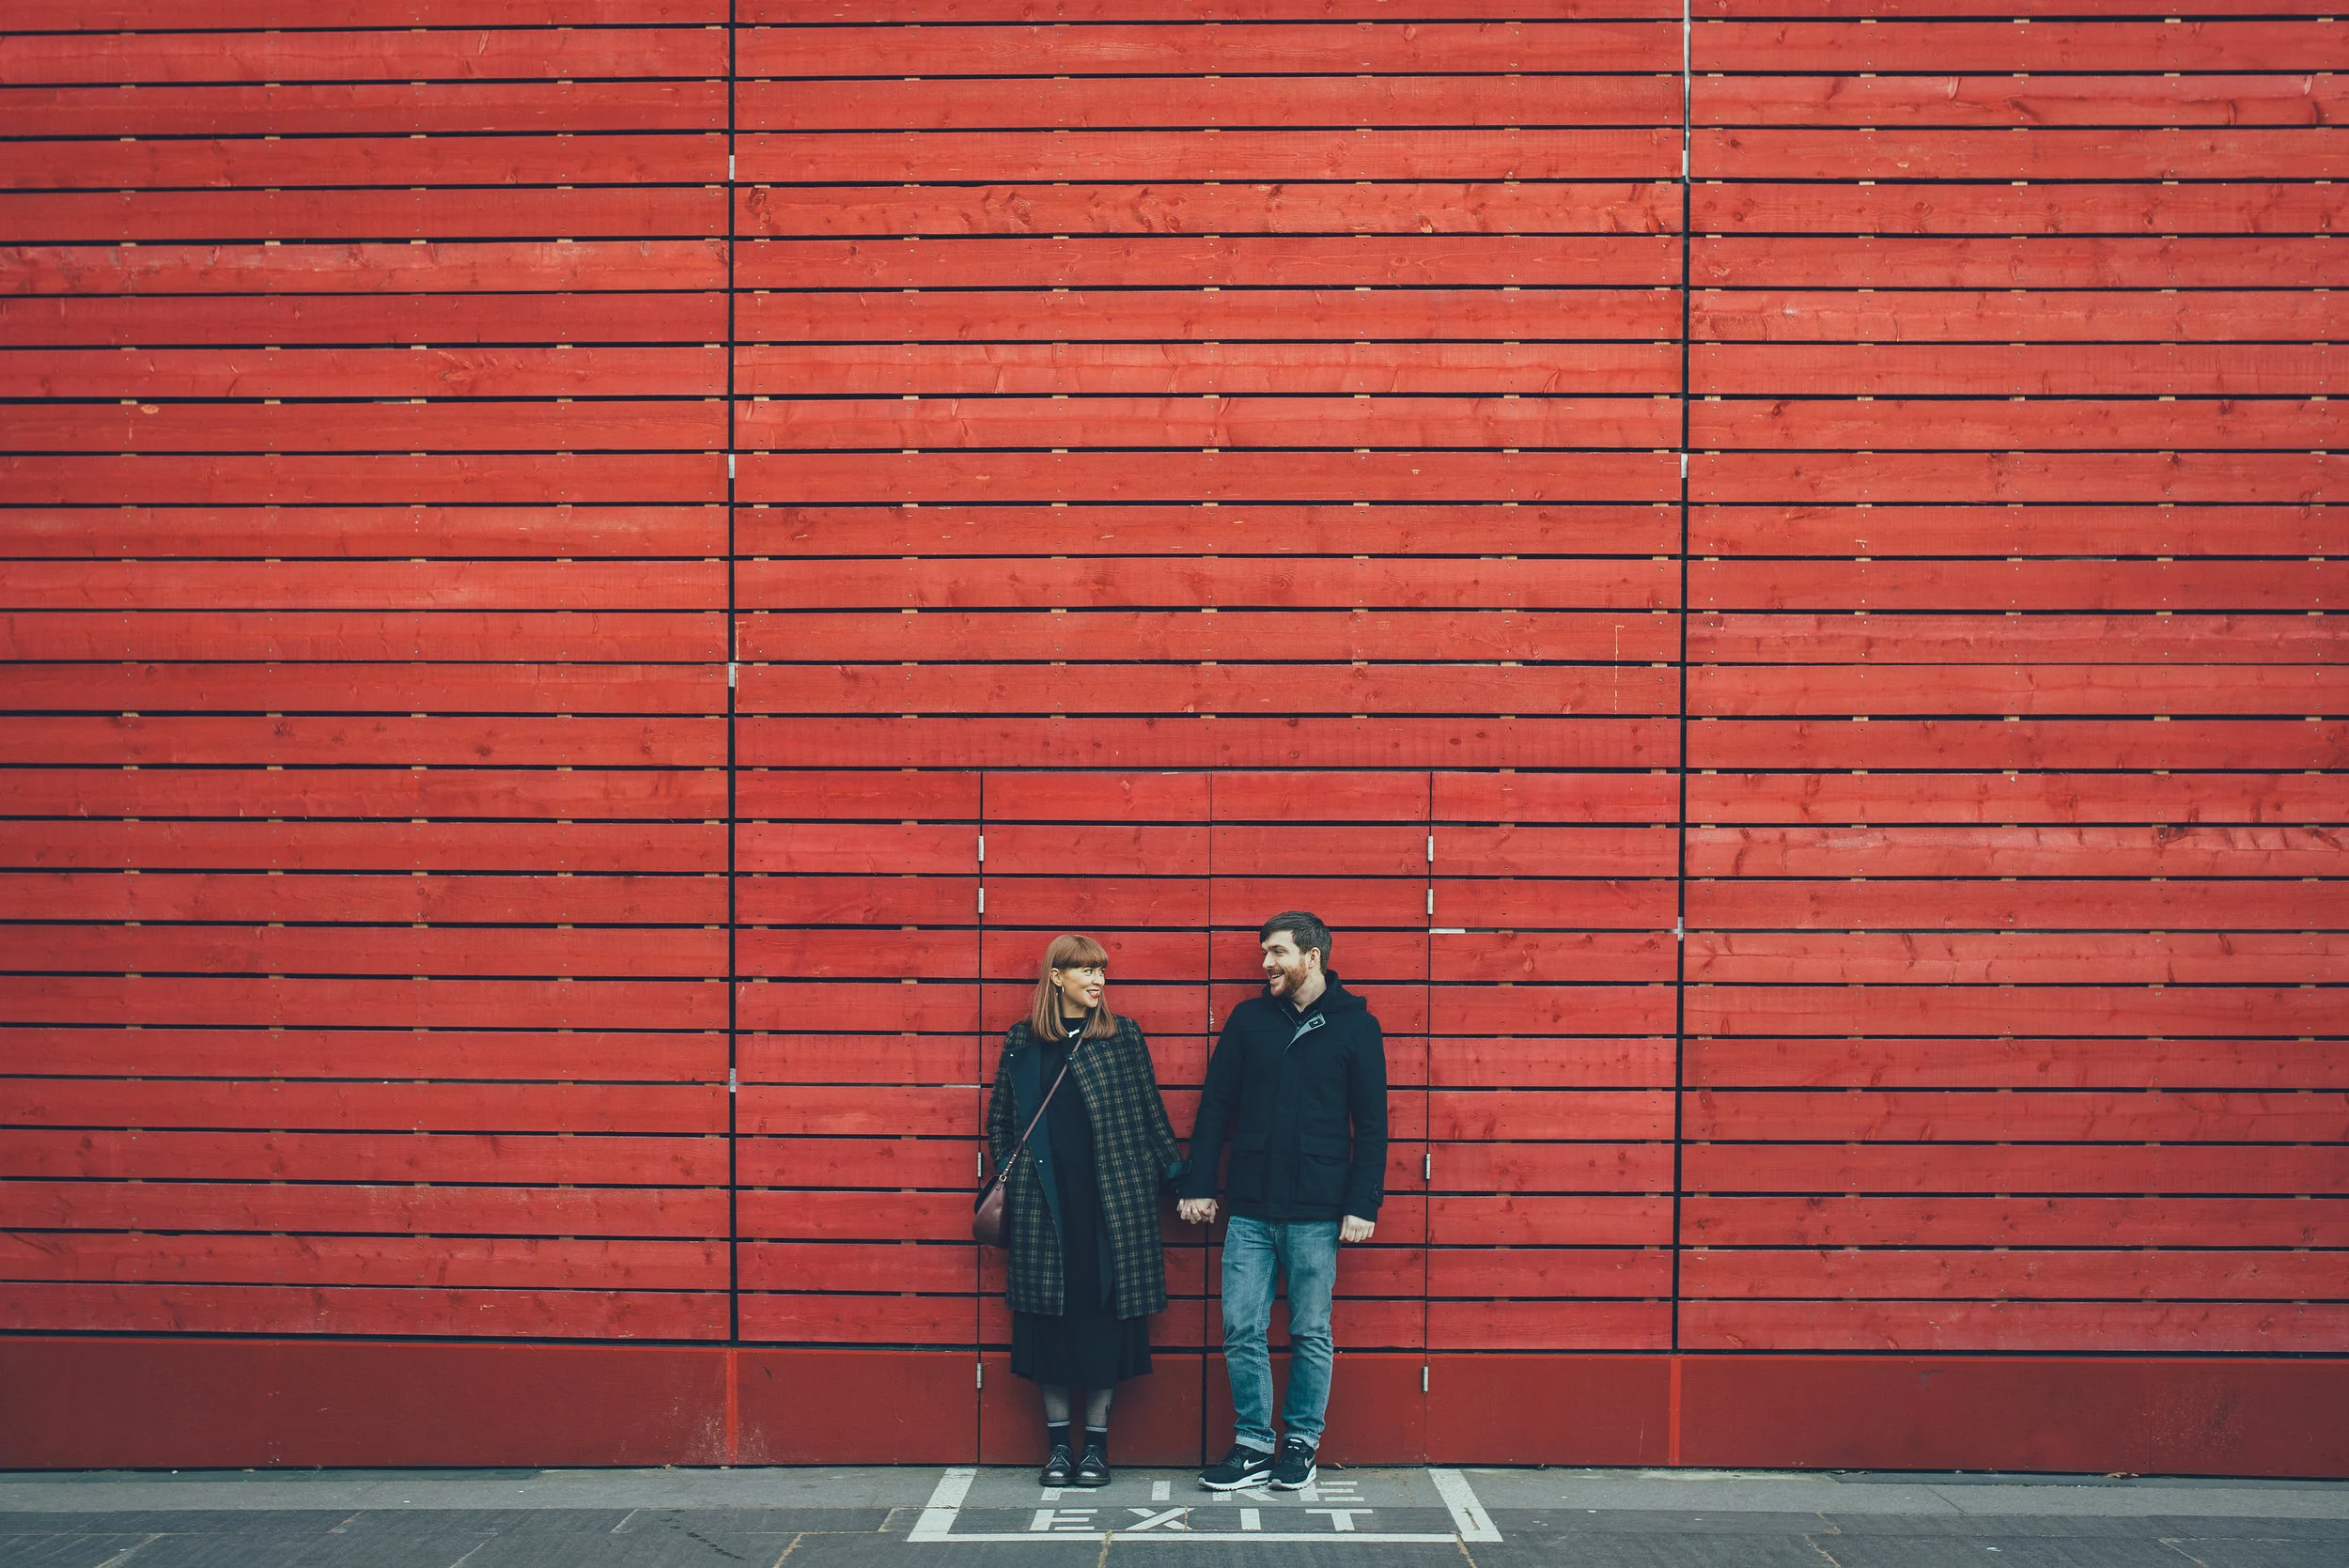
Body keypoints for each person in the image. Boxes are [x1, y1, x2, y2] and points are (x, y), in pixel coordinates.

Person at [1178, 910, 1387, 1492]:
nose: (1266, 963)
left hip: (1318, 1211)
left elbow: (1371, 1125)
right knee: (1240, 1326)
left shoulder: (1356, 1026)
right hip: (1250, 1207)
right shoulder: (1249, 1021)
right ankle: (1252, 1445)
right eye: (1264, 952)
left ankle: (1300, 1442)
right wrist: (1198, 1183)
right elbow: (1216, 1106)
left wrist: (1363, 1203)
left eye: (1276, 952)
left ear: (1311, 956)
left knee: (1310, 1330)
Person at [986, 933, 1185, 1489]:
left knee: (1102, 1323)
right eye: (1086, 970)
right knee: (1048, 1322)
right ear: (1057, 977)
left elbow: (1150, 1113)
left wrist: (1181, 1181)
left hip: (1111, 1206)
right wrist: (1019, 1179)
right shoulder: (1022, 1041)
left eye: (1101, 970)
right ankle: (1057, 1449)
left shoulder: (1122, 1036)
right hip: (1044, 1207)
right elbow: (1001, 1120)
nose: (1098, 980)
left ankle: (1095, 1449)